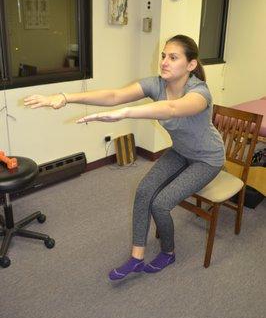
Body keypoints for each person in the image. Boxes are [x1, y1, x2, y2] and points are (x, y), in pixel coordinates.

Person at [24, 34, 225, 280]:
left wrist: (125, 114)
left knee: (160, 204)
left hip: (207, 159)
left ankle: (169, 252)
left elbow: (172, 109)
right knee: (143, 192)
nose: (164, 62)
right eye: (163, 56)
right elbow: (114, 96)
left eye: (173, 57)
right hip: (181, 151)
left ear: (191, 65)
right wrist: (66, 98)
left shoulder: (199, 92)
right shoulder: (157, 84)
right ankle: (136, 258)